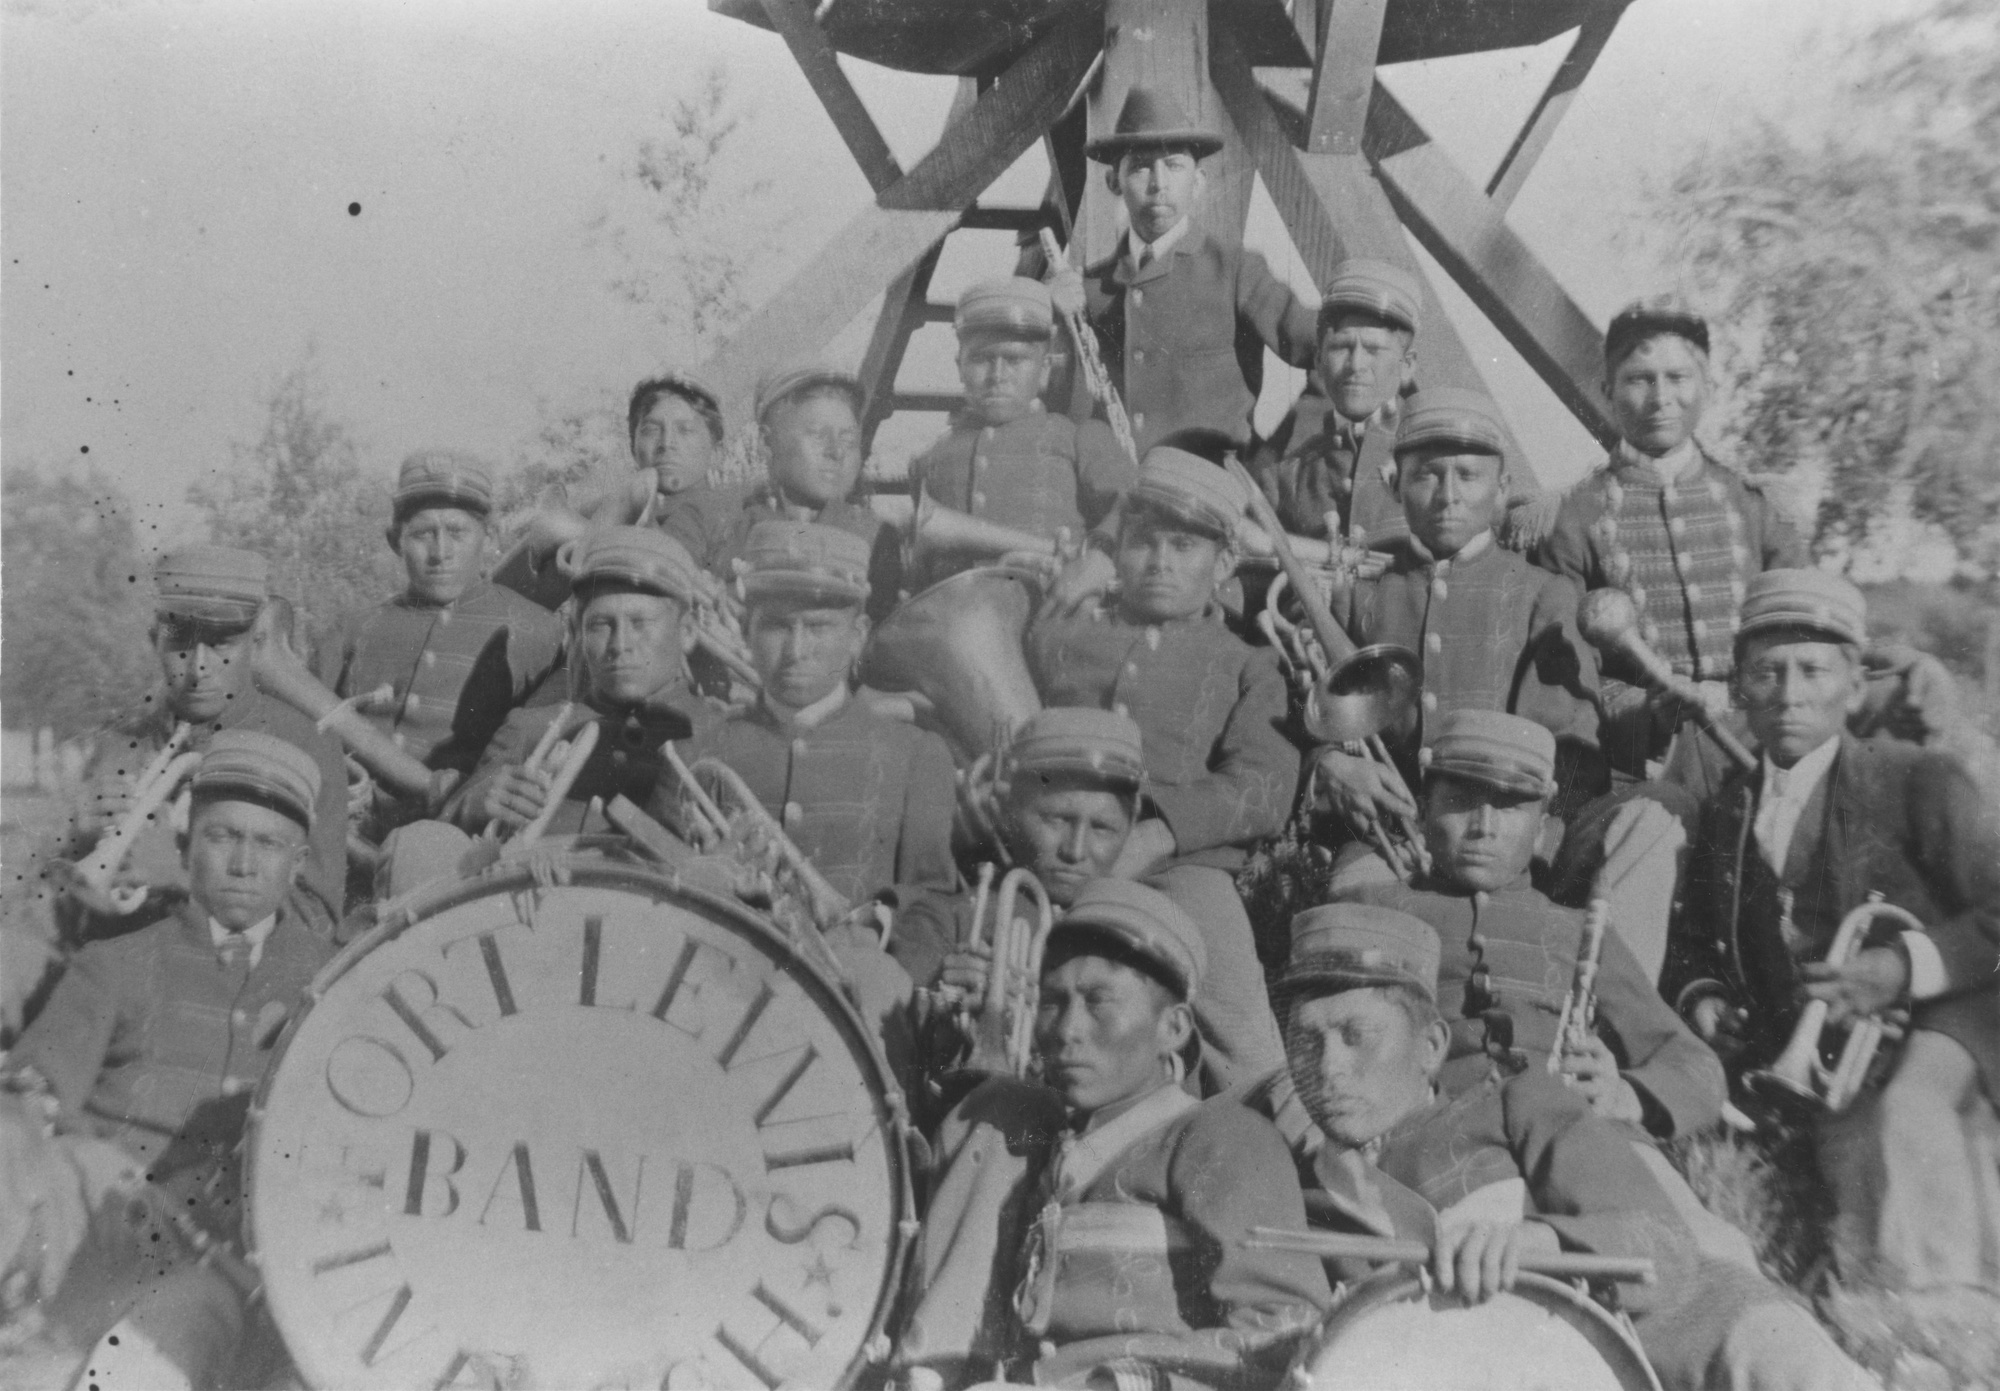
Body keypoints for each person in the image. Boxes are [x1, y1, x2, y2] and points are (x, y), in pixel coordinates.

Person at [1270, 902, 1878, 1391]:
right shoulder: (1301, 1185)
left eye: (1356, 1036)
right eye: (1305, 1041)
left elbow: (1662, 1244)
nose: (1329, 1069)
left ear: (1431, 1047)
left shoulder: (1516, 1102)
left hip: (1661, 1334)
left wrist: (1537, 1239)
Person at [1670, 568, 2000, 1304]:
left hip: (1937, 1028)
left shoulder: (1919, 778)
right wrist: (1704, 1002)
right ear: (1739, 689)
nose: (1789, 692)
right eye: (1767, 672)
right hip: (1807, 1065)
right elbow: (1691, 940)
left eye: (1813, 670)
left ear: (1854, 689)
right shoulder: (1726, 809)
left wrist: (1902, 963)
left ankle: (1947, 1317)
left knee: (1898, 1132)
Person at [896, 878, 1328, 1391]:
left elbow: (1285, 1332)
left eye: (1098, 1002)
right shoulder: (1049, 1153)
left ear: (1174, 1027)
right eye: (1053, 1002)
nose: (1067, 1029)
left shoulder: (1221, 1136)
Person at [7, 731, 340, 1391]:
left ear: (298, 862)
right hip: (103, 1238)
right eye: (222, 837)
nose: (243, 862)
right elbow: (34, 1091)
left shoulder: (332, 985)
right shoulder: (118, 959)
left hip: (229, 1269)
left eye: (267, 843)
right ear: (187, 847)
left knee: (161, 1340)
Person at [1027, 448, 1298, 1090]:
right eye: (1144, 543)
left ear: (1225, 562)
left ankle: (1274, 1147)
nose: (1160, 563)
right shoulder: (1062, 635)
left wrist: (1157, 834)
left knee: (1247, 1048)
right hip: (1050, 852)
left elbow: (1262, 787)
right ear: (1118, 551)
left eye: (1184, 546)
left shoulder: (1248, 664)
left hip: (1181, 873)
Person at [658, 519, 961, 988]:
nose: (797, 650)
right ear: (746, 628)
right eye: (777, 626)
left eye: (818, 627)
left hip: (851, 1012)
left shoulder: (916, 755)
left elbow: (935, 904)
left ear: (858, 635)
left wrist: (878, 939)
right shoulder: (693, 747)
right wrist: (698, 875)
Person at [1536, 295, 1807, 797]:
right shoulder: (1576, 516)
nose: (1660, 397)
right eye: (1639, 379)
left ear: (1708, 388)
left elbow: (1803, 638)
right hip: (1646, 763)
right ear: (1607, 391)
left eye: (1678, 378)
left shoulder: (1756, 505)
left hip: (1765, 744)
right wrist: (1639, 713)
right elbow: (1560, 670)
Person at [1311, 388, 1602, 852]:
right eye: (1426, 475)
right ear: (1394, 488)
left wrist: (1528, 847)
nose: (1448, 496)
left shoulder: (1542, 596)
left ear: (1502, 488)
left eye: (1468, 476)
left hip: (1502, 849)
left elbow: (1568, 755)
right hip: (1383, 843)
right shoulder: (1361, 595)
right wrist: (1331, 764)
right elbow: (1314, 720)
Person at [60, 546, 347, 935]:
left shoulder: (308, 746)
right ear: (154, 641)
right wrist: (76, 840)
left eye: (221, 644)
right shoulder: (119, 746)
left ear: (256, 643)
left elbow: (318, 922)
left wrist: (182, 879)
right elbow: (61, 923)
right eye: (180, 645)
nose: (197, 668)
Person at [1050, 86, 1317, 456]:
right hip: (1117, 501)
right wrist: (1045, 317)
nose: (1159, 184)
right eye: (1141, 166)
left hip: (1212, 494)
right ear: (1114, 182)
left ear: (1199, 182)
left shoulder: (1236, 270)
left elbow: (1331, 351)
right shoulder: (1086, 289)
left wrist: (1278, 459)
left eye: (1174, 165)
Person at [314, 449, 564, 798]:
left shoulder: (540, 632)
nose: (440, 552)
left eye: (457, 532)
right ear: (394, 541)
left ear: (489, 537)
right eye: (423, 534)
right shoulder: (353, 630)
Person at [446, 526, 724, 839]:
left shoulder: (723, 732)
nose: (620, 644)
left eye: (640, 623)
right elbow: (435, 841)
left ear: (686, 632)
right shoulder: (531, 729)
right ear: (578, 633)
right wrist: (475, 805)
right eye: (601, 624)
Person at [904, 277, 1133, 592]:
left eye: (1014, 359)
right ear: (959, 366)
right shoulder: (929, 458)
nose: (998, 375)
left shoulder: (1081, 438)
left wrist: (1096, 558)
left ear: (1043, 368)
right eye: (982, 359)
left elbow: (1133, 506)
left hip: (1050, 614)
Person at [656, 361, 902, 621]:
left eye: (848, 439)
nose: (836, 452)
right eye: (818, 435)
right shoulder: (706, 518)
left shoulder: (875, 539)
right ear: (766, 442)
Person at [1244, 257, 1417, 550]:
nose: (1356, 365)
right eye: (1341, 347)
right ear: (1318, 361)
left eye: (1374, 349)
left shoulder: (1437, 460)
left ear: (1407, 366)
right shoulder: (1288, 478)